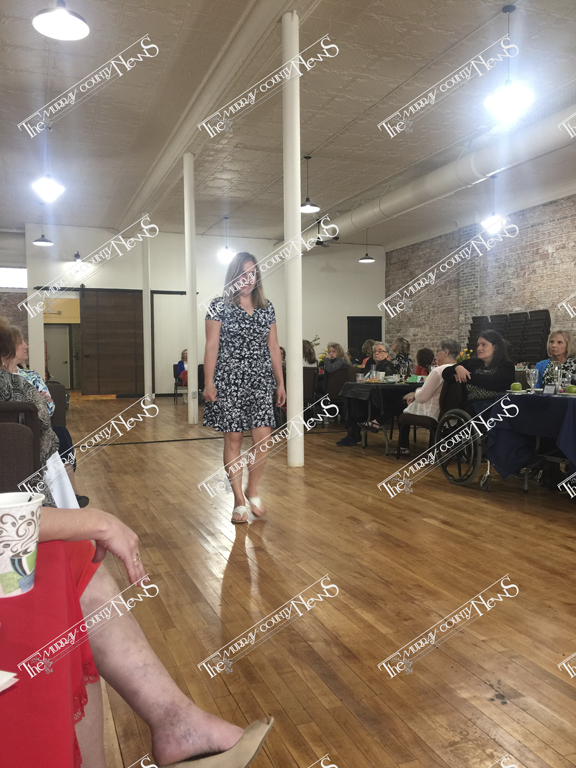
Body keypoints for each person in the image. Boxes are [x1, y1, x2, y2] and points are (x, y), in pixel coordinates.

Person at [203, 252, 285, 524]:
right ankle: (239, 500)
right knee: (234, 440)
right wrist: (209, 381)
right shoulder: (218, 306)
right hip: (229, 380)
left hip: (260, 381)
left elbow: (273, 347)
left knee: (263, 440)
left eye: (252, 274)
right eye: (241, 274)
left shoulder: (267, 307)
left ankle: (252, 489)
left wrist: (280, 382)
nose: (247, 279)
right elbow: (211, 345)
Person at [1, 322, 89, 507]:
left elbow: (49, 408)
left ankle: (72, 491)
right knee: (53, 437)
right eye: (21, 342)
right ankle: (65, 498)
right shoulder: (21, 385)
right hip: (28, 437)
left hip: (29, 432)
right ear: (9, 348)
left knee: (61, 433)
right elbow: (41, 411)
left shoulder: (31, 376)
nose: (26, 346)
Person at [396, 339, 460, 456]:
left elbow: (422, 397)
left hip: (431, 412)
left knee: (401, 404)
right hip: (448, 411)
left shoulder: (438, 371)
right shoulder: (460, 369)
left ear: (446, 353)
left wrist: (415, 392)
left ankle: (403, 447)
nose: (436, 355)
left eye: (438, 351)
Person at [442, 330, 515, 414]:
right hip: (474, 408)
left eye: (483, 344)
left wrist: (467, 377)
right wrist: (457, 367)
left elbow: (497, 383)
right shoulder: (471, 363)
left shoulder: (506, 365)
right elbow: (446, 374)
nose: (479, 348)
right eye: (478, 345)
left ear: (495, 347)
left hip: (500, 405)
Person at [337, 343, 395, 446]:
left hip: (380, 399)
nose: (376, 353)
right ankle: (352, 433)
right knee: (351, 399)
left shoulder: (388, 365)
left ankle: (353, 434)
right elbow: (366, 377)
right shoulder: (370, 363)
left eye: (380, 351)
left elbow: (388, 382)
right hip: (368, 395)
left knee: (356, 402)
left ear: (386, 354)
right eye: (374, 351)